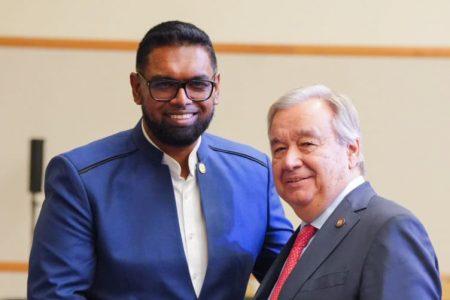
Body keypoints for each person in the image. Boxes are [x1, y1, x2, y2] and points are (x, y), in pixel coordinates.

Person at [27, 20, 293, 300]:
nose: (182, 99)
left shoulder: (253, 174)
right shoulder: (81, 178)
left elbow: (294, 280)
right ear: (136, 87)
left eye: (198, 84)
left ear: (216, 87)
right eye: (164, 84)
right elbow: (55, 295)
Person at [253, 85, 441, 299]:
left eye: (307, 144)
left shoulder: (389, 229)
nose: (289, 161)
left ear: (351, 151)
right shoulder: (302, 239)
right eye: (279, 149)